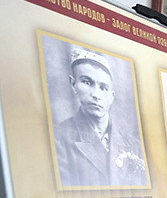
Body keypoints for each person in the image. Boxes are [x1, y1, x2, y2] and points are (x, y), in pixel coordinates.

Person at [54, 47, 146, 187]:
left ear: (111, 96)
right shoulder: (59, 138)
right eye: (87, 82)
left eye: (103, 88)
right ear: (73, 84)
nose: (96, 95)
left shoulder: (133, 145)